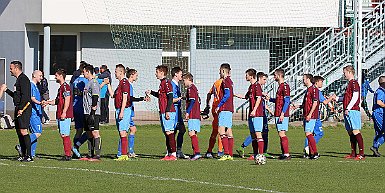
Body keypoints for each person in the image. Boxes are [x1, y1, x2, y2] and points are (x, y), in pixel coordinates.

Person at [0, 61, 33, 162]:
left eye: (11, 68)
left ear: (16, 68)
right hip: (18, 108)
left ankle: (29, 156)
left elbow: (26, 97)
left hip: (24, 109)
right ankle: (22, 154)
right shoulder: (18, 80)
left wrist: (21, 109)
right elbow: (17, 96)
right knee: (19, 132)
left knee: (24, 131)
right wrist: (7, 90)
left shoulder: (23, 79)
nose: (10, 70)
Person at [115, 68, 149, 158]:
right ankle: (123, 152)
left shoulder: (127, 84)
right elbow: (130, 98)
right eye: (136, 75)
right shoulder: (127, 84)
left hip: (128, 110)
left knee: (130, 130)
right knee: (125, 132)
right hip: (127, 110)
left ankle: (127, 151)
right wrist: (142, 98)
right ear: (132, 75)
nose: (137, 77)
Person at [235, 70, 267, 162]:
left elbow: (259, 98)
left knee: (258, 134)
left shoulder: (257, 86)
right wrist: (234, 94)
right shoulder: (251, 87)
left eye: (246, 75)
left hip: (257, 114)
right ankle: (255, 154)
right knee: (253, 135)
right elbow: (245, 97)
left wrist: (254, 110)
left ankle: (261, 155)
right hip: (251, 114)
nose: (245, 76)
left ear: (251, 76)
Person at [146, 65, 177, 161]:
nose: (156, 74)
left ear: (162, 73)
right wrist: (151, 92)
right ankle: (169, 154)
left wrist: (167, 110)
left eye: (157, 72)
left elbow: (170, 97)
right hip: (163, 111)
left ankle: (174, 155)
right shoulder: (162, 83)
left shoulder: (167, 83)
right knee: (167, 133)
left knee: (170, 132)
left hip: (168, 111)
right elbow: (161, 96)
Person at [335, 65, 365, 160]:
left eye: (344, 73)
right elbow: (347, 98)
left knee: (356, 131)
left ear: (349, 72)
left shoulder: (354, 83)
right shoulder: (349, 84)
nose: (344, 75)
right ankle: (353, 153)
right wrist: (336, 98)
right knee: (350, 132)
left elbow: (356, 97)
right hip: (348, 110)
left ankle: (361, 154)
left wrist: (348, 107)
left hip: (352, 110)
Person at [46, 69, 74, 161]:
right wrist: (47, 102)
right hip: (60, 114)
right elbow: (57, 101)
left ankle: (68, 155)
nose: (55, 77)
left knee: (65, 134)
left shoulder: (65, 87)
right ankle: (70, 153)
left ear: (61, 76)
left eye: (56, 76)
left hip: (64, 115)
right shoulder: (61, 88)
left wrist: (64, 112)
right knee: (63, 134)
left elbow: (67, 99)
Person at [303, 76, 335, 157]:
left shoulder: (312, 90)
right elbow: (324, 102)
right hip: (314, 116)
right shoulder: (315, 91)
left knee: (309, 133)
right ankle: (310, 149)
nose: (322, 83)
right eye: (321, 81)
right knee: (315, 133)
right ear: (316, 82)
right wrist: (331, 97)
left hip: (312, 115)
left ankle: (310, 150)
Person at [106, 64, 132, 161]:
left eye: (116, 71)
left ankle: (124, 155)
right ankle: (122, 154)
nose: (115, 73)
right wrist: (108, 84)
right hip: (119, 109)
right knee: (121, 132)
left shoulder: (124, 83)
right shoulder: (120, 84)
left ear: (121, 72)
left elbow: (125, 98)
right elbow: (113, 95)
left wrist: (121, 112)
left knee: (123, 132)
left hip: (124, 110)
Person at [266, 68, 291, 160]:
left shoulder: (285, 86)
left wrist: (283, 113)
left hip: (281, 113)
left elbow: (287, 101)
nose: (274, 77)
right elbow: (279, 100)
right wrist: (270, 99)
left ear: (279, 75)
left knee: (282, 133)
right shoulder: (280, 86)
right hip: (278, 113)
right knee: (280, 133)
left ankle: (287, 154)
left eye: (275, 75)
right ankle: (284, 153)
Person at [82, 64, 102, 161]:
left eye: (84, 71)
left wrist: (93, 112)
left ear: (88, 71)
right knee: (89, 133)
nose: (83, 73)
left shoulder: (94, 82)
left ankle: (97, 155)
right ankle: (90, 154)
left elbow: (95, 97)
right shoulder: (88, 83)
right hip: (86, 112)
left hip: (93, 112)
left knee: (95, 133)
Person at [216, 63, 235, 161]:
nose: (219, 73)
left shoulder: (225, 81)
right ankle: (230, 155)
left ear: (223, 71)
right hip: (229, 108)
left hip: (224, 108)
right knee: (228, 131)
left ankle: (226, 153)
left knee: (221, 130)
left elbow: (227, 94)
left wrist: (219, 105)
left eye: (220, 71)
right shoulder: (230, 81)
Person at [70, 62, 89, 158]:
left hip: (75, 106)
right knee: (90, 130)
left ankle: (75, 152)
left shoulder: (75, 80)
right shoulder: (86, 81)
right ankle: (76, 146)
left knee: (78, 130)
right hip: (82, 107)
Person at [183, 73, 202, 161]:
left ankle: (197, 153)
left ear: (188, 79)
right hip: (196, 114)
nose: (183, 82)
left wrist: (187, 112)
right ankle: (195, 153)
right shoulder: (195, 88)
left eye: (184, 80)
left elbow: (192, 101)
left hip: (193, 114)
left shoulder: (190, 89)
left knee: (191, 133)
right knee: (194, 133)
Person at [203, 76, 224, 158]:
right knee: (221, 130)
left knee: (215, 130)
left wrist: (207, 105)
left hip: (214, 107)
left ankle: (209, 151)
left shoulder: (216, 83)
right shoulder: (223, 83)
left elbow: (209, 94)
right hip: (220, 108)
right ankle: (220, 151)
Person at [301, 74, 320, 159]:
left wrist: (309, 114)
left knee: (308, 133)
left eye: (304, 79)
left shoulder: (314, 89)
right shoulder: (308, 90)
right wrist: (297, 106)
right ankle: (311, 153)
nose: (303, 80)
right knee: (308, 134)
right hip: (307, 115)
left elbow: (315, 103)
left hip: (311, 115)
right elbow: (305, 104)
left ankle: (315, 153)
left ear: (308, 79)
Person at [170, 67, 188, 159]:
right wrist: (180, 98)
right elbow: (170, 100)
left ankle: (178, 151)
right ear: (176, 74)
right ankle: (171, 152)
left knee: (181, 130)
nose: (182, 75)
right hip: (174, 111)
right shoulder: (172, 85)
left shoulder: (177, 85)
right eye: (181, 73)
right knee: (172, 131)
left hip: (178, 111)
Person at [28, 70, 44, 158]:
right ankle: (21, 145)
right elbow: (32, 98)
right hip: (33, 113)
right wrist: (40, 103)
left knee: (35, 133)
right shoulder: (31, 85)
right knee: (38, 133)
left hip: (37, 112)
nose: (41, 78)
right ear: (34, 75)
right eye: (40, 76)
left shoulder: (36, 86)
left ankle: (31, 154)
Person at [370, 76, 385, 157]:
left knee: (378, 133)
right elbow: (379, 102)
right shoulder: (381, 91)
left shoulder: (378, 91)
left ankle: (375, 150)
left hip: (377, 113)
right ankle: (375, 147)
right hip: (379, 113)